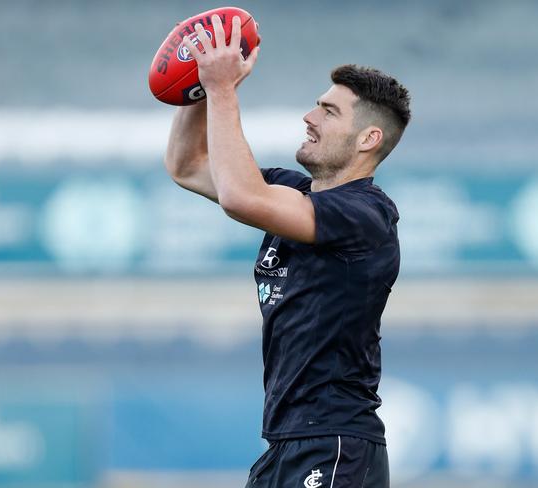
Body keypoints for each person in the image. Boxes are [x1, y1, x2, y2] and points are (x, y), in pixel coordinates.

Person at [164, 15, 411, 488]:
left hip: (334, 444)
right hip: (286, 445)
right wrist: (197, 85)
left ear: (368, 139)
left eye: (329, 111)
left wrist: (222, 89)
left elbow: (241, 198)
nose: (309, 116)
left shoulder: (366, 215)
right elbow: (186, 164)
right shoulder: (292, 191)